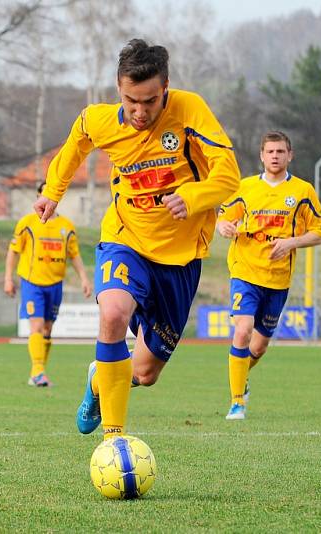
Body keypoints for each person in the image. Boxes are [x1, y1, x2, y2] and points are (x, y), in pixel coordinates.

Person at [34, 39, 240, 439]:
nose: (140, 112)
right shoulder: (100, 119)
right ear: (118, 88)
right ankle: (115, 440)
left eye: (150, 101)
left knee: (144, 373)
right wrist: (52, 193)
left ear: (165, 88)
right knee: (112, 314)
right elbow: (75, 144)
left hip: (180, 259)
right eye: (131, 100)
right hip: (125, 238)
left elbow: (228, 174)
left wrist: (193, 197)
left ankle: (100, 380)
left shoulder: (189, 109)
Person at [216, 131, 321, 420]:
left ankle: (240, 378)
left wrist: (291, 242)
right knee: (242, 330)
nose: (275, 156)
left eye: (280, 151)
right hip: (245, 270)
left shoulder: (302, 192)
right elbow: (224, 218)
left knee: (260, 345)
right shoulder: (245, 187)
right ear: (262, 156)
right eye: (270, 151)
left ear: (290, 155)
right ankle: (237, 401)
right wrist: (224, 227)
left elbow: (318, 233)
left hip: (278, 279)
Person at [4, 183, 93, 387]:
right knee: (35, 326)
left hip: (55, 283)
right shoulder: (27, 223)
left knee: (47, 329)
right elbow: (13, 251)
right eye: (44, 192)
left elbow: (74, 255)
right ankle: (38, 371)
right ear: (38, 196)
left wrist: (84, 279)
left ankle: (37, 371)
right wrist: (8, 278)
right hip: (32, 282)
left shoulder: (67, 226)